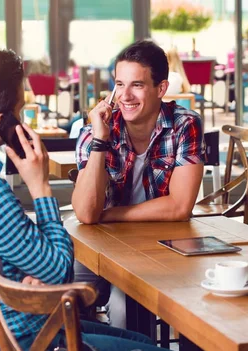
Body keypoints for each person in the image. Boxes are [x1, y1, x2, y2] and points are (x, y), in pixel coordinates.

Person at [0, 49, 196, 351]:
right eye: (20, 110)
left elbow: (16, 257)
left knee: (142, 342)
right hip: (23, 348)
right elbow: (59, 272)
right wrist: (39, 187)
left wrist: (20, 274)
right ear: (3, 124)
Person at [72, 40, 205, 327]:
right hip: (100, 242)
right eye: (119, 84)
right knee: (69, 302)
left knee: (126, 311)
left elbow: (180, 206)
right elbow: (84, 213)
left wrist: (108, 215)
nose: (125, 95)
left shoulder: (185, 124)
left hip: (159, 242)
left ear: (161, 89)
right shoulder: (94, 131)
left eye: (137, 85)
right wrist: (100, 139)